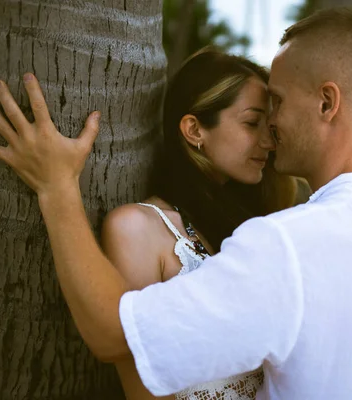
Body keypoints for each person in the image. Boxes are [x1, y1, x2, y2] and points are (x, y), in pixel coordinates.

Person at [0, 6, 352, 400]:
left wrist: (58, 187)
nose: (271, 127)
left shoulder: (295, 245)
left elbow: (112, 335)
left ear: (327, 103)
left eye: (276, 102)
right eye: (255, 116)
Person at [99, 50, 297, 399]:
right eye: (252, 123)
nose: (268, 141)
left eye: (270, 127)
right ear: (194, 130)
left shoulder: (258, 225)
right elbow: (140, 384)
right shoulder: (139, 228)